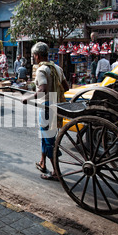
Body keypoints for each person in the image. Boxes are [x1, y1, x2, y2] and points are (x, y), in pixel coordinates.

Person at [22, 42, 69, 181]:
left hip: (46, 107)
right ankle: (42, 162)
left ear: (36, 56)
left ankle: (56, 172)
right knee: (45, 135)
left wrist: (27, 98)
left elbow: (41, 90)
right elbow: (66, 87)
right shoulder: (57, 68)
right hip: (57, 105)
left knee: (48, 140)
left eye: (34, 56)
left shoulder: (42, 70)